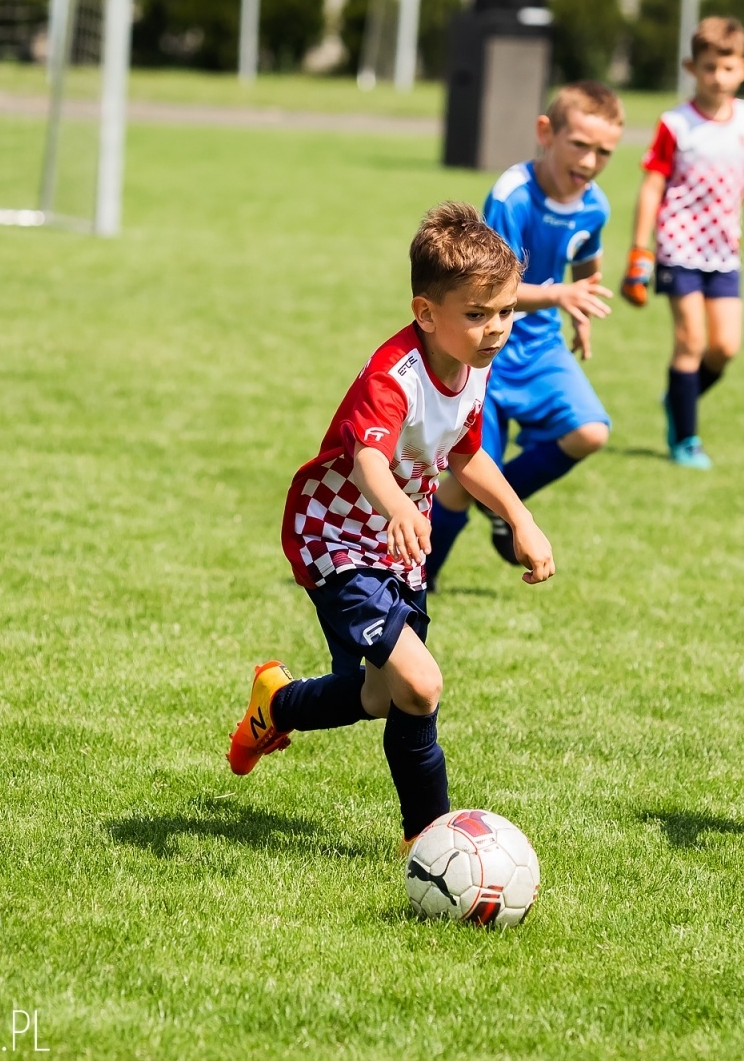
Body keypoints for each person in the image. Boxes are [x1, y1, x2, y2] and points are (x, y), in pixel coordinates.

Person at [227, 203, 555, 854]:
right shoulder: (393, 375)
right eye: (477, 314)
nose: (495, 330)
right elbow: (368, 457)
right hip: (338, 536)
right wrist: (400, 507)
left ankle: (278, 703)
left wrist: (519, 516)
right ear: (427, 313)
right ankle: (428, 841)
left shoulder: (474, 364)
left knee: (383, 696)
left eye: (505, 312)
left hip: (396, 541)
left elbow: (464, 452)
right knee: (423, 684)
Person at [424, 82, 624, 583]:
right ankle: (418, 584)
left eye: (604, 151)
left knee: (591, 431)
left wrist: (580, 306)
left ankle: (502, 502)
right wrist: (559, 297)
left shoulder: (595, 205)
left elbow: (586, 257)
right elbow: (491, 290)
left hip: (540, 348)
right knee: (461, 483)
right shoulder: (513, 195)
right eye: (580, 144)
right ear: (546, 133)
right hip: (485, 352)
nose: (591, 160)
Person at [622, 16, 744, 471]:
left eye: (727, 68)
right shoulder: (676, 124)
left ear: (743, 68)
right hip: (677, 247)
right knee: (690, 340)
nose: (718, 77)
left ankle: (678, 395)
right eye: (709, 68)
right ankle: (686, 438)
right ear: (692, 68)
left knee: (725, 347)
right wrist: (639, 252)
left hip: (723, 251)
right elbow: (652, 187)